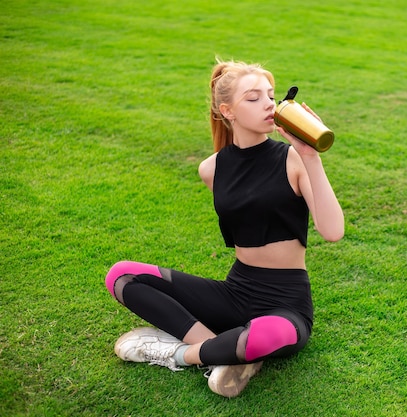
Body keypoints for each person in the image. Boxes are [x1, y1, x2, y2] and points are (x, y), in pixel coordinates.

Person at [104, 60, 344, 398]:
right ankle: (227, 352)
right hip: (236, 292)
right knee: (122, 276)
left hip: (286, 303)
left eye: (271, 96)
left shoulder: (292, 159)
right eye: (253, 98)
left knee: (268, 335)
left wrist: (310, 156)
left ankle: (181, 354)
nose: (268, 105)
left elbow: (332, 231)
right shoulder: (211, 169)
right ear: (226, 110)